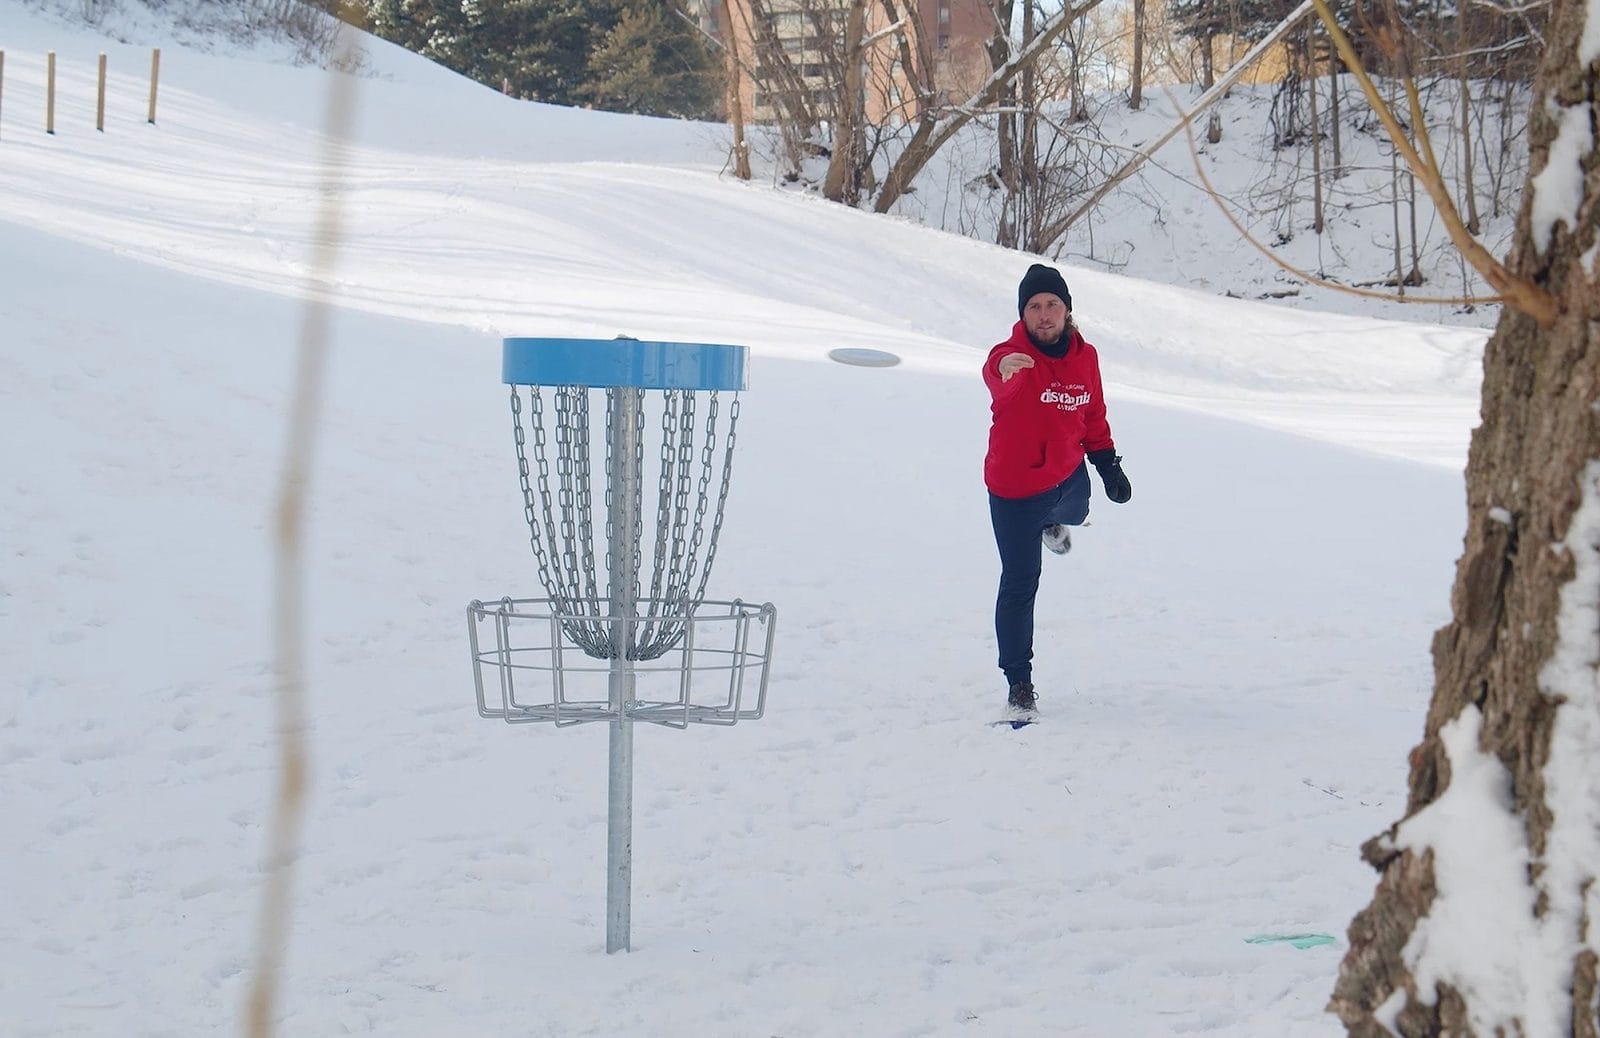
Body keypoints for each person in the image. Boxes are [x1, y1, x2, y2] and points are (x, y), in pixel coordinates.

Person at [982, 263, 1132, 715]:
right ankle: (1019, 681)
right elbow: (996, 376)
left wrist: (1107, 464)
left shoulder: (1086, 357)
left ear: (1066, 311)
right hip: (1016, 489)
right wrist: (1004, 370)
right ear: (1023, 314)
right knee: (1020, 584)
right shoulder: (1011, 356)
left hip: (1068, 479)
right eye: (1034, 307)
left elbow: (1092, 414)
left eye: (1052, 305)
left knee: (1074, 510)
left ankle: (1054, 523)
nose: (1043, 314)